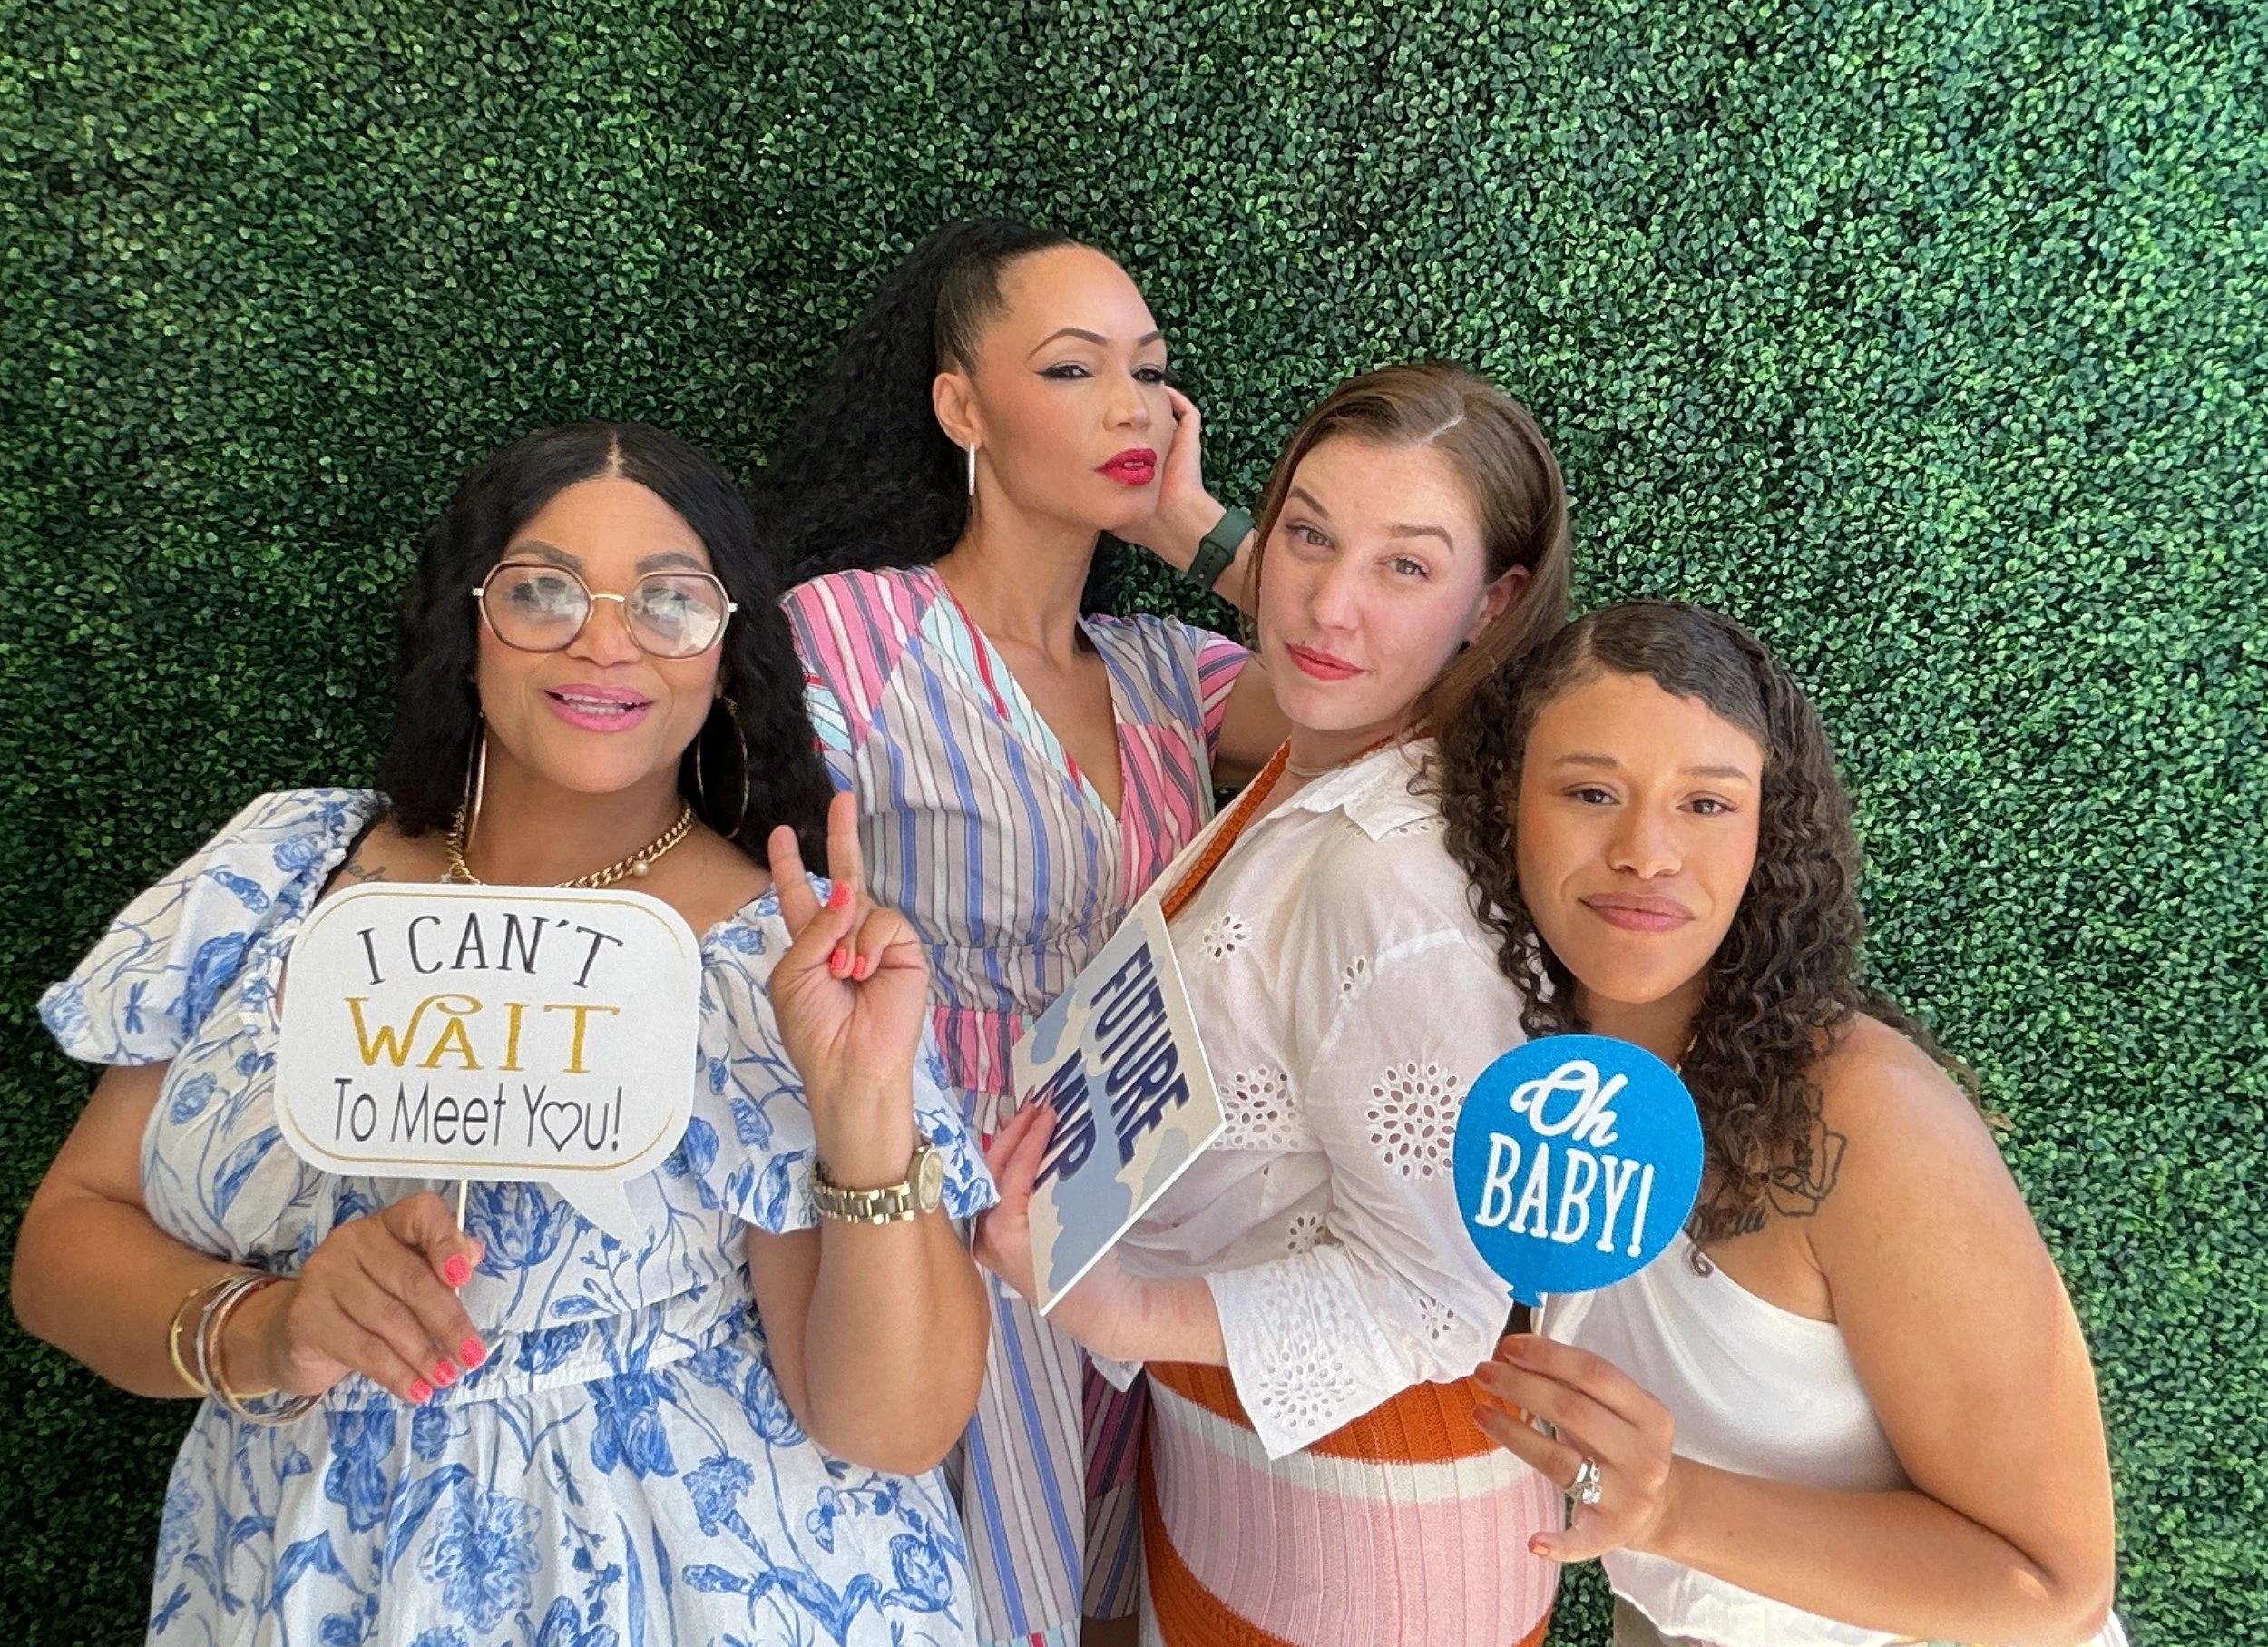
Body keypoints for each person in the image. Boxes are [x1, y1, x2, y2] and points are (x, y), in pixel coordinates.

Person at [13, 421, 997, 1646]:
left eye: (670, 598)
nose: (606, 637)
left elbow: (891, 1427)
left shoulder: (784, 959)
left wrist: (860, 1108)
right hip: (306, 1575)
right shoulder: (281, 868)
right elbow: (63, 1242)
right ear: (464, 623)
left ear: (726, 646)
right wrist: (266, 1325)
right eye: (543, 589)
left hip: (702, 1591)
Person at [975, 363, 1575, 1647]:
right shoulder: (1339, 755)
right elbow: (1327, 616)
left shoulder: (1392, 875)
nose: (1325, 603)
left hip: (1370, 1536)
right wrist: (1178, 518)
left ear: (1497, 600)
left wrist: (1114, 1305)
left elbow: (1442, 1298)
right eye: (1306, 531)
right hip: (1238, 1482)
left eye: (1407, 567)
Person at [768, 219, 1286, 1647]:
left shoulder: (1170, 671)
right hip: (947, 1209)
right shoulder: (852, 631)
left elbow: (1418, 689)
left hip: (1157, 1208)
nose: (1133, 407)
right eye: (1074, 369)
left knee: (1123, 1593)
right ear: (960, 406)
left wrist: (1196, 533)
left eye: (1151, 372)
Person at [1439, 599, 2123, 1647]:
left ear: (1768, 833)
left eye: (1705, 805)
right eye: (1588, 791)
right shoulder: (1505, 1066)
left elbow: (2050, 1586)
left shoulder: (1866, 1119)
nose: (1644, 852)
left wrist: (1670, 1507)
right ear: (1505, 805)